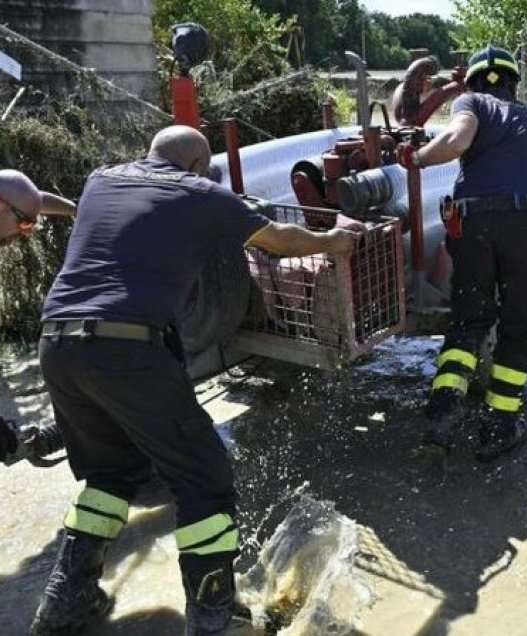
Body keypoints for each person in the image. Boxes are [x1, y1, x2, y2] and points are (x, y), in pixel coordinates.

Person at [28, 125, 357, 636]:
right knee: (204, 480)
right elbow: (278, 241)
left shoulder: (101, 179)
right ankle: (215, 616)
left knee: (110, 477)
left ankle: (64, 602)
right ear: (201, 166)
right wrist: (332, 240)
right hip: (129, 348)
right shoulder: (202, 191)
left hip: (58, 344)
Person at [398, 45, 527, 462]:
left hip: (474, 224)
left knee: (469, 321)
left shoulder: (471, 101)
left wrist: (417, 157)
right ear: (514, 83)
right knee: (519, 325)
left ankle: (441, 417)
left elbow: (457, 139)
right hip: (525, 226)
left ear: (475, 82)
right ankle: (498, 425)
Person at [1, 170, 76, 464]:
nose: (25, 232)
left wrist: (77, 209)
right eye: (24, 222)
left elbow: (36, 201)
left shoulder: (9, 203)